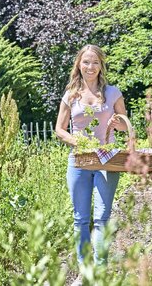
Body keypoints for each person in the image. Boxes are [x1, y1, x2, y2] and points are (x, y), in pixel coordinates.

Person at [55, 44, 127, 267]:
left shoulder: (112, 93)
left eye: (95, 62)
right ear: (79, 64)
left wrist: (118, 123)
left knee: (102, 218)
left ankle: (100, 270)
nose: (90, 66)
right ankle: (85, 270)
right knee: (80, 219)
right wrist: (77, 141)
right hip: (79, 160)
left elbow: (124, 126)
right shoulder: (71, 95)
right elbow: (59, 129)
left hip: (107, 159)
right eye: (86, 62)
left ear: (101, 65)